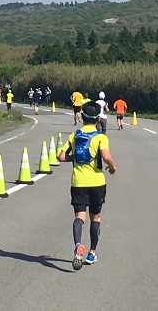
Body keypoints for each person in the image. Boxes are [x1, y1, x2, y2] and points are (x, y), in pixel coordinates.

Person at [58, 102, 116, 270]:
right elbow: (105, 155)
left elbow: (61, 157)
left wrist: (74, 159)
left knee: (79, 217)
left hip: (78, 182)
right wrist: (112, 167)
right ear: (98, 118)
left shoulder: (74, 136)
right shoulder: (100, 137)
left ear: (82, 117)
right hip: (97, 182)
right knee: (95, 217)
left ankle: (78, 245)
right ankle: (92, 252)